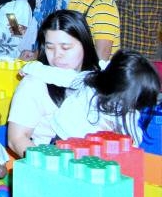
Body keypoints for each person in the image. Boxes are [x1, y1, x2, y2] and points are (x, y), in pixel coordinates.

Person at [20, 50, 160, 146]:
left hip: (90, 152)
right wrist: (31, 68)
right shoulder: (89, 80)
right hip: (62, 142)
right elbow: (59, 75)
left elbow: (134, 138)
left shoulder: (128, 113)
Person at [7, 10, 99, 155]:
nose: (57, 56)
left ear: (84, 44)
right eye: (50, 47)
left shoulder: (95, 78)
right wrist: (49, 165)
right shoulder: (34, 83)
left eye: (66, 47)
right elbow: (17, 139)